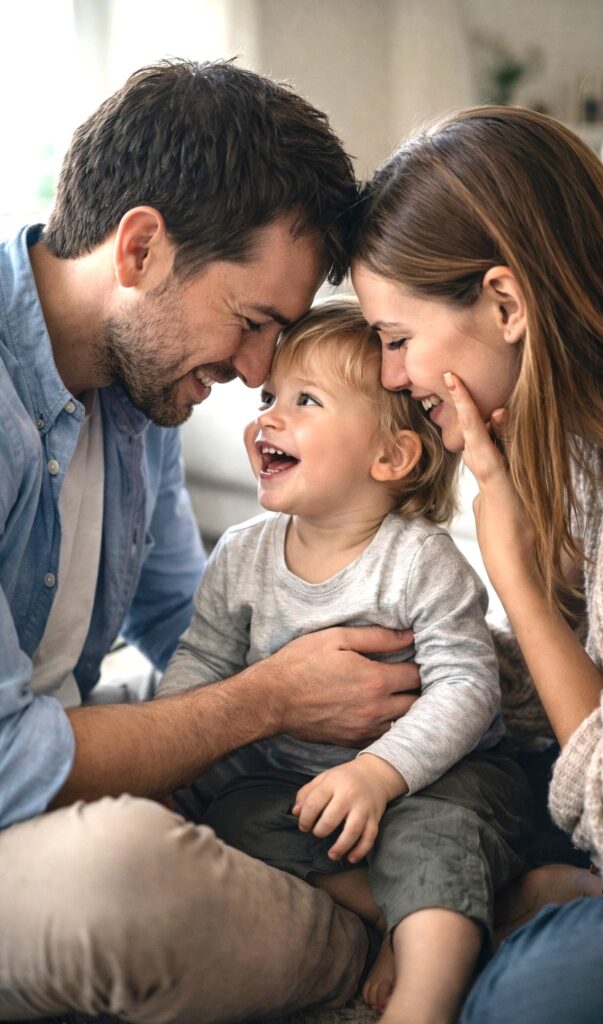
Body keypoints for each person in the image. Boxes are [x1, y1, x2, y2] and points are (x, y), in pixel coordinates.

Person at [0, 59, 424, 1024]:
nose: (253, 372)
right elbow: (10, 762)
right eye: (252, 321)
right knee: (121, 877)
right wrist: (270, 698)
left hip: (58, 753)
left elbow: (186, 628)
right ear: (141, 246)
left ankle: (429, 899)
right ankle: (392, 950)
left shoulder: (134, 397)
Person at [351, 104, 603, 1024]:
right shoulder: (584, 448)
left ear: (504, 303)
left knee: (526, 995)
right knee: (433, 807)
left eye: (394, 337)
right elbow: (591, 689)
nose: (389, 378)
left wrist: (516, 578)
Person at [157, 298, 530, 1024]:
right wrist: (171, 771)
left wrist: (377, 772)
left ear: (389, 456)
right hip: (299, 790)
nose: (268, 416)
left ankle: (422, 998)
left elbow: (467, 686)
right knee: (230, 822)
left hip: (432, 779)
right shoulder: (242, 555)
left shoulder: (421, 561)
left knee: (437, 832)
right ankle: (419, 905)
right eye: (269, 398)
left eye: (304, 401)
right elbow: (201, 664)